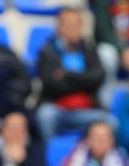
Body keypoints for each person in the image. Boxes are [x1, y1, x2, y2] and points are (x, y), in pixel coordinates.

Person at [35, 6, 112, 143]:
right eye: (68, 24)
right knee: (45, 115)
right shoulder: (47, 50)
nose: (73, 28)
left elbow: (98, 77)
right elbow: (51, 83)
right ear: (59, 26)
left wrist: (67, 75)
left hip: (86, 110)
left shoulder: (89, 49)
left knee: (111, 122)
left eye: (76, 24)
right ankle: (48, 158)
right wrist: (84, 81)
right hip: (57, 109)